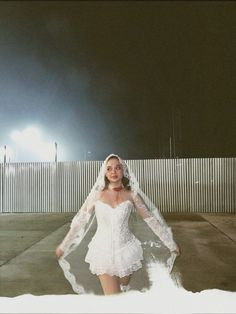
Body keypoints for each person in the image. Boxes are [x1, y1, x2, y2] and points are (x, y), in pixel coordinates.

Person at [55, 154, 180, 295]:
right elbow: (80, 221)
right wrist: (64, 245)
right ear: (104, 172)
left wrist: (170, 243)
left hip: (127, 252)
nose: (113, 172)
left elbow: (151, 220)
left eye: (117, 168)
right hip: (103, 252)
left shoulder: (132, 195)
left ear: (124, 170)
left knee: (122, 292)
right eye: (109, 169)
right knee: (113, 300)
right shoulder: (96, 195)